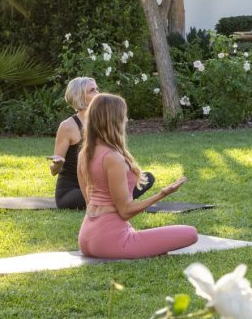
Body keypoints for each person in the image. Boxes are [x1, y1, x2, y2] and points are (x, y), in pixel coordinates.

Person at [77, 93, 198, 259]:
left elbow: (90, 202)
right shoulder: (113, 158)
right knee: (191, 233)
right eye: (124, 115)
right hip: (110, 242)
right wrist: (163, 194)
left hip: (86, 239)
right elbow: (125, 211)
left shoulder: (84, 154)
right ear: (113, 119)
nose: (126, 119)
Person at [49, 77, 152, 209]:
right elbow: (53, 171)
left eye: (97, 89)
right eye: (92, 90)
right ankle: (116, 200)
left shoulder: (103, 121)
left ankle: (115, 199)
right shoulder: (68, 126)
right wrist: (58, 164)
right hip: (73, 190)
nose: (98, 92)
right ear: (79, 97)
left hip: (100, 186)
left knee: (147, 178)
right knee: (102, 196)